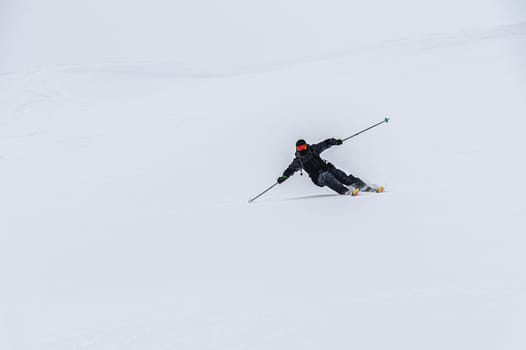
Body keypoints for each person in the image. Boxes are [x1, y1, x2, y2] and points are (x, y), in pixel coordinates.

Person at [277, 138, 381, 195]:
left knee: (340, 175)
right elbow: (289, 170)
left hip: (327, 168)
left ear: (306, 145)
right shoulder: (298, 161)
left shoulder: (313, 149)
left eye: (303, 146)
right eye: (300, 148)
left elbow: (324, 144)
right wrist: (284, 177)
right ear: (297, 149)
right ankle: (344, 191)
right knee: (326, 176)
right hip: (318, 177)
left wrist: (334, 142)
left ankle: (365, 187)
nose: (302, 149)